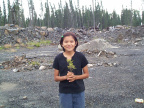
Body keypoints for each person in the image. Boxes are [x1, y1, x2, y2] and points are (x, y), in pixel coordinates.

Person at [53, 32, 89, 108]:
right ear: (62, 44)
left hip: (79, 90)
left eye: (71, 41)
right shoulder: (58, 58)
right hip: (64, 92)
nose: (69, 44)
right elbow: (56, 78)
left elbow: (86, 74)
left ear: (75, 43)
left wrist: (75, 77)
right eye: (66, 42)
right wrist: (66, 77)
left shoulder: (80, 56)